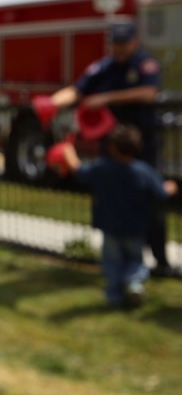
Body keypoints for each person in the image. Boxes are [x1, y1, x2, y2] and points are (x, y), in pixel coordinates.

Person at [49, 21, 176, 277]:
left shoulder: (144, 64)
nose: (117, 48)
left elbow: (149, 93)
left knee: (150, 204)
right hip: (112, 147)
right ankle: (120, 262)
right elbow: (77, 90)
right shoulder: (103, 67)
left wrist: (106, 98)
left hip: (142, 148)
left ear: (134, 41)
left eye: (123, 43)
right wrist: (49, 104)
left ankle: (159, 261)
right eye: (114, 43)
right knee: (113, 200)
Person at [56, 124, 177, 308]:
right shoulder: (143, 171)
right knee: (135, 259)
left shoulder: (102, 168)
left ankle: (114, 296)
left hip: (110, 227)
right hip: (136, 228)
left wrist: (67, 151)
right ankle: (135, 284)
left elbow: (80, 172)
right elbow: (160, 193)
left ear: (111, 147)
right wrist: (171, 187)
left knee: (112, 263)